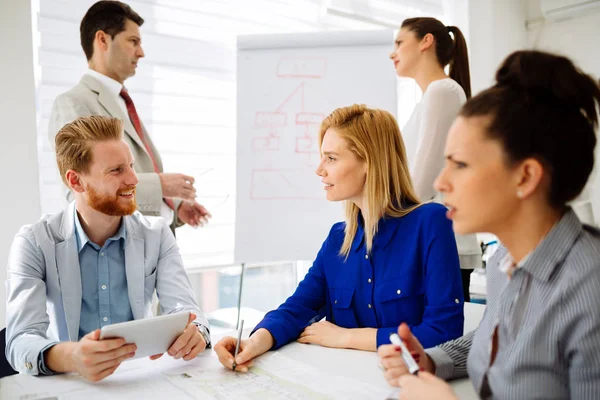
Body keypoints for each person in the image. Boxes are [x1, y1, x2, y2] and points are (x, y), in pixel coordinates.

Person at [378, 50, 600, 399]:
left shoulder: (591, 292)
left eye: (460, 165)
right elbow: (495, 338)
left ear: (525, 176)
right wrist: (430, 360)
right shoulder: (503, 263)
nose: (440, 183)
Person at [213, 104, 464, 372]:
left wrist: (347, 337)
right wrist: (254, 341)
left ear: (369, 161)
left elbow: (444, 331)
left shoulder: (431, 223)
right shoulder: (337, 239)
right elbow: (297, 309)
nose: (319, 170)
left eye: (331, 158)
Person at [5, 116, 211, 382]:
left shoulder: (157, 233)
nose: (134, 179)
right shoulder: (33, 242)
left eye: (131, 166)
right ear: (76, 181)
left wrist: (196, 331)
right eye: (116, 170)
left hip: (142, 380)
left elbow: (187, 310)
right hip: (70, 382)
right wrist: (74, 357)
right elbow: (20, 340)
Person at [48, 0, 210, 233]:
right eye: (133, 41)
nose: (141, 52)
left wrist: (174, 205)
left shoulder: (121, 100)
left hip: (153, 245)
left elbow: (133, 174)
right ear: (102, 40)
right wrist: (161, 186)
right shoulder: (73, 103)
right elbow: (79, 192)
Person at [389, 17, 481, 300]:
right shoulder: (435, 95)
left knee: (442, 342)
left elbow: (421, 182)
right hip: (435, 238)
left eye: (400, 43)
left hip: (441, 241)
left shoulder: (443, 91)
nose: (393, 53)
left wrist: (388, 218)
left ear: (426, 41)